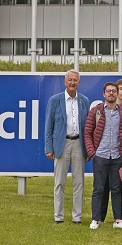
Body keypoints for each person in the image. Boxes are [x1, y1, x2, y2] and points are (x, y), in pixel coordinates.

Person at [85, 82, 122, 230]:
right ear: (103, 94)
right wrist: (92, 153)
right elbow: (87, 132)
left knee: (117, 188)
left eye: (114, 91)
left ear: (117, 93)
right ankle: (96, 219)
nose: (111, 93)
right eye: (108, 91)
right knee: (98, 189)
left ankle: (118, 220)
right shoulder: (96, 111)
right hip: (100, 155)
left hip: (117, 157)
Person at [44, 70, 90, 224]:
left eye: (75, 80)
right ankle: (59, 217)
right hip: (61, 144)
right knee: (59, 182)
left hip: (78, 144)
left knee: (79, 183)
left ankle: (77, 217)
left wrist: (88, 148)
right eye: (69, 80)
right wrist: (48, 147)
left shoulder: (84, 101)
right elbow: (48, 126)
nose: (72, 83)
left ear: (79, 83)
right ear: (65, 82)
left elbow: (87, 127)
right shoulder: (55, 100)